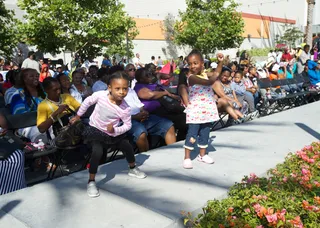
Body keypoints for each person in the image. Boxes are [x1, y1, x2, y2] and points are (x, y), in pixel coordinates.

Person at [70, 71, 147, 198]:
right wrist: (78, 115)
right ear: (109, 88)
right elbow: (88, 101)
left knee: (126, 146)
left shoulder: (125, 108)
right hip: (95, 129)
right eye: (117, 88)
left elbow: (127, 125)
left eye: (125, 89)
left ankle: (132, 168)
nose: (121, 92)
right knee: (97, 151)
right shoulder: (101, 95)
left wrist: (115, 131)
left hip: (112, 132)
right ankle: (91, 181)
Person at [183, 50, 220, 169]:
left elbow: (217, 74)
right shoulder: (192, 77)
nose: (192, 66)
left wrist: (220, 63)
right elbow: (210, 81)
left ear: (202, 63)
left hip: (207, 110)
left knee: (205, 132)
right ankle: (187, 157)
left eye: (195, 63)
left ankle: (202, 155)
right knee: (192, 134)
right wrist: (214, 76)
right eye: (190, 64)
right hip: (195, 111)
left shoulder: (205, 73)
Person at [125, 70, 176, 152]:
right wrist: (134, 117)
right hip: (128, 121)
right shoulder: (110, 96)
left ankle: (173, 154)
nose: (123, 90)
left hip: (142, 117)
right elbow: (116, 117)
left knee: (169, 125)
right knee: (140, 132)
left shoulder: (130, 91)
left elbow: (139, 105)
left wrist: (143, 111)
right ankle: (146, 159)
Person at [134, 68, 187, 141]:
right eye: (147, 75)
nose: (150, 75)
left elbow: (168, 94)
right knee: (183, 120)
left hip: (167, 107)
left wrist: (177, 98)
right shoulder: (139, 86)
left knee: (187, 117)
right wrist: (164, 93)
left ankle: (181, 140)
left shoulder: (154, 84)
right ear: (141, 79)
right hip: (155, 112)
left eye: (150, 73)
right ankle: (178, 143)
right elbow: (150, 95)